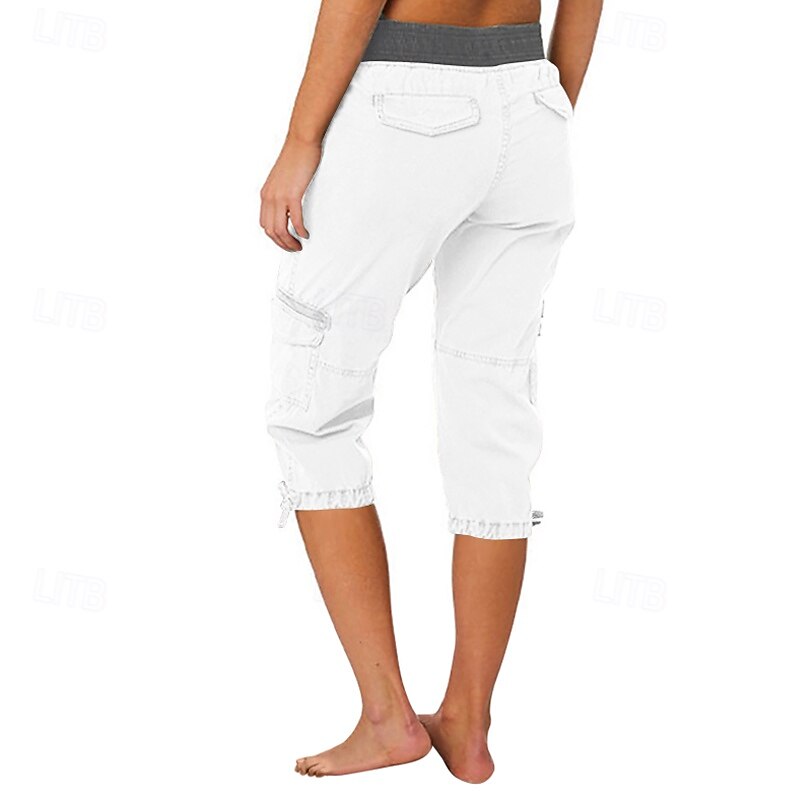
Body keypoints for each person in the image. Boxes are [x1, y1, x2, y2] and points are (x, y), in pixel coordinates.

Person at [259, 0, 602, 783]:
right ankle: (469, 724)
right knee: (494, 414)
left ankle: (388, 718)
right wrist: (542, 106)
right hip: (531, 97)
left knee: (316, 409)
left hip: (406, 101)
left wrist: (301, 139)